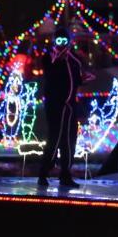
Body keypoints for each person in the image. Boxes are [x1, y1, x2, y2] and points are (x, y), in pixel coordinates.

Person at [39, 25, 83, 189]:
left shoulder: (74, 59)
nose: (62, 43)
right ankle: (44, 172)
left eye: (65, 40)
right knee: (54, 138)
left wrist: (84, 77)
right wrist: (58, 60)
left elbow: (78, 79)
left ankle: (66, 174)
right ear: (53, 41)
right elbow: (50, 73)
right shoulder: (48, 57)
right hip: (55, 105)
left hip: (70, 105)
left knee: (70, 140)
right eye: (59, 40)